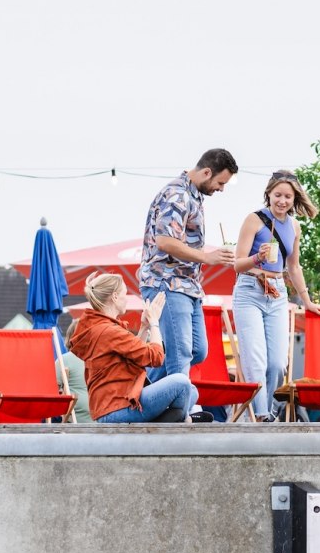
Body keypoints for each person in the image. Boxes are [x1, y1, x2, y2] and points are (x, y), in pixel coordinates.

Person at [231, 170, 320, 421]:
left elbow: (294, 267)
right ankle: (262, 417)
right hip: (249, 289)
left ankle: (269, 412)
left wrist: (306, 301)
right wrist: (257, 257)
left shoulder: (294, 226)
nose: (282, 201)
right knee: (256, 362)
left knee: (277, 364)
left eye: (288, 197)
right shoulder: (254, 219)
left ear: (294, 199)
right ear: (269, 194)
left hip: (277, 292)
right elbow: (237, 264)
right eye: (278, 195)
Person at [138, 148, 237, 380]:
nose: (221, 189)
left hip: (187, 286)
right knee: (181, 354)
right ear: (206, 172)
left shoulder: (193, 195)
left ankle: (142, 386)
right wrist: (207, 257)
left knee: (197, 351)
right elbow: (165, 241)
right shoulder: (177, 195)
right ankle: (175, 403)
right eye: (220, 183)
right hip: (167, 282)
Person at [69, 273, 210, 424]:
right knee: (181, 382)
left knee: (191, 391)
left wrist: (144, 326)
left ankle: (173, 418)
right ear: (115, 297)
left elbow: (133, 357)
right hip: (118, 409)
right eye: (125, 294)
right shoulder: (108, 331)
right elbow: (156, 357)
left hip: (114, 406)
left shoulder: (100, 327)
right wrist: (154, 322)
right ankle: (180, 419)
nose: (127, 299)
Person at [54, 314, 93, 423]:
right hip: (101, 418)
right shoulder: (99, 359)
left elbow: (53, 393)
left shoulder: (63, 360)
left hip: (74, 420)